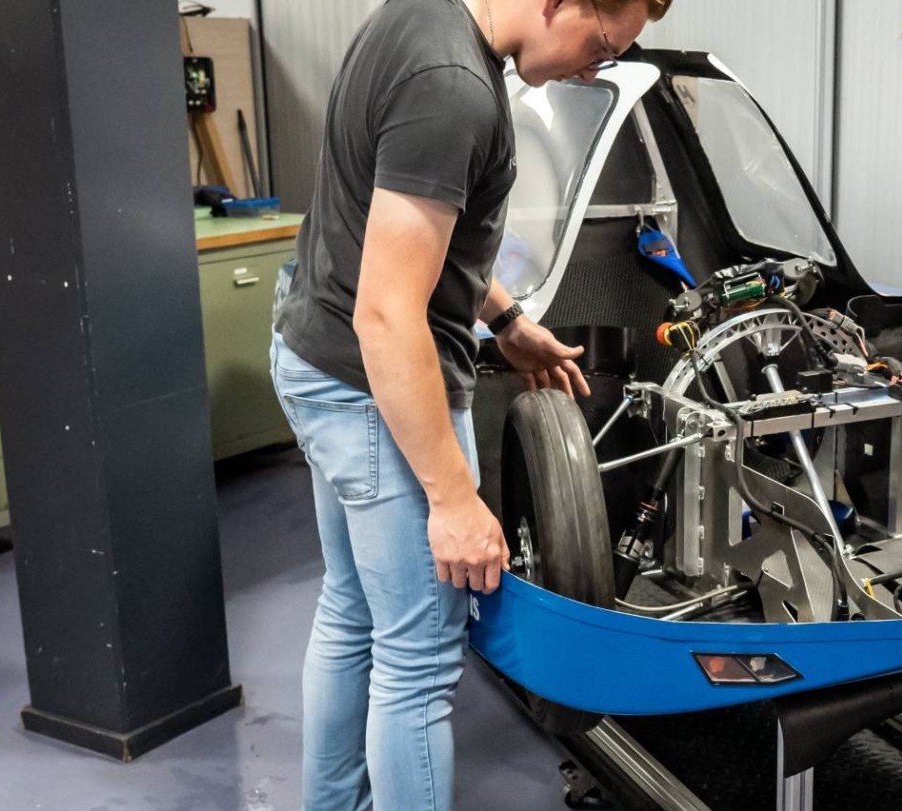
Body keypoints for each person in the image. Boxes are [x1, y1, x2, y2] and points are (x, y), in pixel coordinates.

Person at [270, 0, 670, 808]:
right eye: (599, 44)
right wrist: (453, 497)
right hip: (368, 387)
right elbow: (387, 313)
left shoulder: (425, 20)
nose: (596, 67)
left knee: (351, 609)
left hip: (316, 352)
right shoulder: (453, 86)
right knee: (418, 659)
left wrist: (507, 319)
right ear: (557, 2)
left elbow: (406, 228)